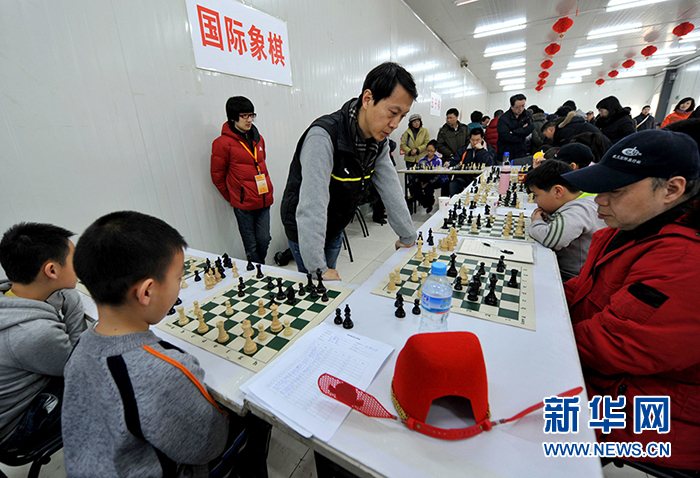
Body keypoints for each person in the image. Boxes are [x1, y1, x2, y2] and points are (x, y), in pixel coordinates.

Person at [64, 211, 270, 477]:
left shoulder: (80, 347)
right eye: (178, 278)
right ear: (147, 292)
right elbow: (209, 444)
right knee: (256, 416)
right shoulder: (165, 370)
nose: (180, 286)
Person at [561, 129, 700, 470]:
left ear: (671, 189)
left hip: (651, 413)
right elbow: (585, 289)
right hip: (610, 380)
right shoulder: (632, 229)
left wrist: (537, 340)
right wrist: (538, 300)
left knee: (514, 420)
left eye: (615, 191)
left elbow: (615, 345)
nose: (599, 200)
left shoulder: (685, 261)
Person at [280, 62, 417, 280]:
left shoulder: (378, 142)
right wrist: (317, 269)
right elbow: (312, 205)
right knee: (317, 286)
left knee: (330, 277)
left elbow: (391, 189)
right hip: (304, 229)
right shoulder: (323, 137)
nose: (395, 124)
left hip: (336, 224)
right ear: (367, 99)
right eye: (393, 112)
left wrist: (408, 236)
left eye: (402, 116)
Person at [0, 223, 88, 455]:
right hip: (15, 428)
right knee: (107, 378)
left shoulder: (9, 296)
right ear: (51, 271)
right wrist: (74, 305)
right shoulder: (34, 333)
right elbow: (79, 364)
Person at [211, 96, 274, 264]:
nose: (249, 120)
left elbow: (260, 165)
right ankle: (259, 272)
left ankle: (259, 268)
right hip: (244, 204)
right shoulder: (222, 143)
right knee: (251, 246)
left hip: (264, 199)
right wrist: (235, 196)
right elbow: (217, 175)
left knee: (264, 239)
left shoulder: (258, 139)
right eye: (244, 116)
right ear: (233, 117)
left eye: (252, 115)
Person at [525, 160, 606, 281]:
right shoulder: (581, 201)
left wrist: (536, 222)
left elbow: (550, 239)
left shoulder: (579, 210)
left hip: (573, 279)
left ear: (558, 191)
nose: (535, 201)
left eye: (536, 195)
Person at [447, 129, 496, 195]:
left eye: (477, 140)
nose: (475, 142)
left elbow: (490, 162)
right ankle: (453, 200)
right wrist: (449, 162)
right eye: (472, 140)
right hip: (466, 178)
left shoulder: (489, 149)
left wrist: (481, 150)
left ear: (482, 139)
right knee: (453, 184)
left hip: (482, 179)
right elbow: (455, 159)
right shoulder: (465, 149)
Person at [409, 140, 447, 213]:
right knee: (415, 188)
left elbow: (438, 174)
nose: (429, 153)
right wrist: (421, 182)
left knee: (428, 188)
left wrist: (428, 183)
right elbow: (418, 172)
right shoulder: (422, 160)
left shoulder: (438, 160)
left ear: (435, 151)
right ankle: (426, 203)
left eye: (431, 151)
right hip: (423, 179)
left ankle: (430, 203)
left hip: (433, 180)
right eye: (428, 150)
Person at [497, 94, 534, 162]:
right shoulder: (503, 119)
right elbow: (505, 137)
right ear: (512, 106)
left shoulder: (527, 115)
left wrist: (514, 132)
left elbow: (531, 128)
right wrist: (522, 136)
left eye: (523, 106)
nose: (521, 109)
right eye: (518, 107)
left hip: (521, 150)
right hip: (507, 151)